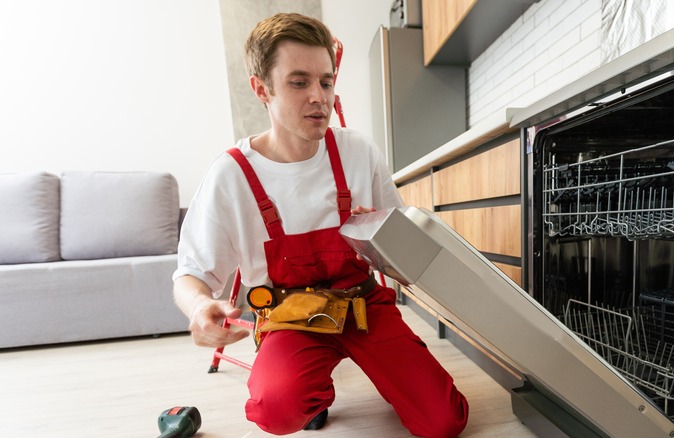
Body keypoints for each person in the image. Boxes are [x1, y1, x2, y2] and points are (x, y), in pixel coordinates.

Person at [172, 12, 469, 437]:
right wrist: (201, 308)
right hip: (289, 319)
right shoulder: (230, 175)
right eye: (299, 82)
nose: (319, 97)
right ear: (262, 89)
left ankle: (363, 373)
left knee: (444, 422)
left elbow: (401, 249)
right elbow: (189, 274)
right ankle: (313, 389)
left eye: (326, 82)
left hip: (364, 307)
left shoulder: (358, 152)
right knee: (277, 410)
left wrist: (394, 236)